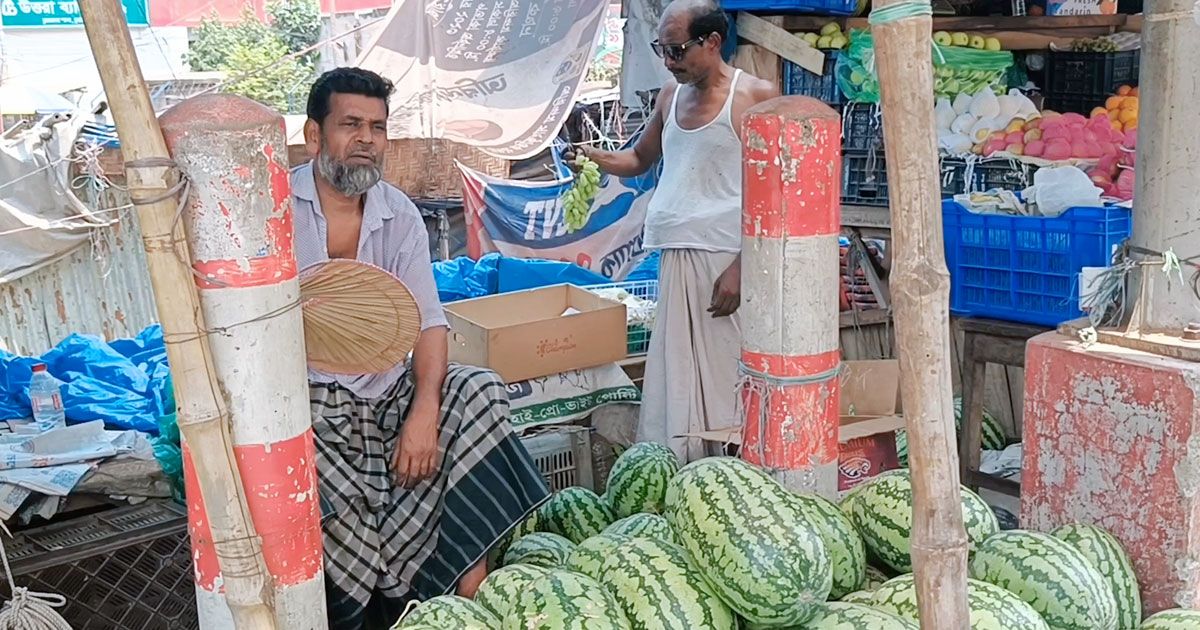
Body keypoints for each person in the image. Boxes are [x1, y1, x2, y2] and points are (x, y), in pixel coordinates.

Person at [292, 67, 550, 629]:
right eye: (351, 124)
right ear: (315, 136)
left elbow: (430, 323)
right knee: (303, 457)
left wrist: (424, 412)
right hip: (305, 403)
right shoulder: (272, 211)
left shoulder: (399, 212)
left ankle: (467, 587)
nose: (366, 139)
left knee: (477, 388)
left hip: (386, 393)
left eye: (378, 128)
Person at [573, 0, 778, 462]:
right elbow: (640, 160)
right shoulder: (670, 96)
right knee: (678, 376)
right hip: (675, 255)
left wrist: (743, 267)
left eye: (678, 51)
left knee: (727, 377)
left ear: (712, 42)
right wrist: (595, 157)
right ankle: (687, 472)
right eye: (662, 50)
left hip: (724, 260)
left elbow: (777, 192)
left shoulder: (757, 96)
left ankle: (735, 473)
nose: (669, 62)